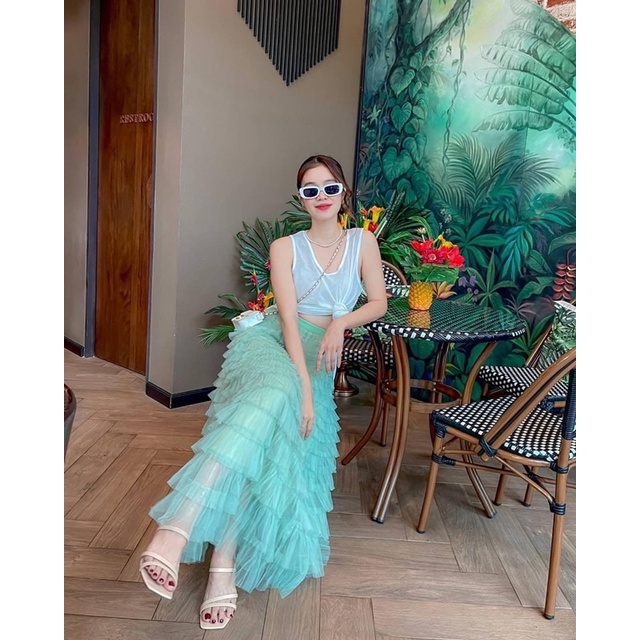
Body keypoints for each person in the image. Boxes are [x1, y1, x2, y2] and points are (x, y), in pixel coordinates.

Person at [139, 154, 388, 630]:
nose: (321, 197)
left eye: (329, 187)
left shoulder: (363, 242)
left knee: (271, 445)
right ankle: (177, 527)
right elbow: (289, 319)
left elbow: (377, 302)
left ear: (343, 192)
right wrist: (305, 390)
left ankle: (222, 560)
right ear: (301, 198)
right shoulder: (285, 247)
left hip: (319, 353)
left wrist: (341, 323)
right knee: (276, 397)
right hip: (274, 343)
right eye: (310, 190)